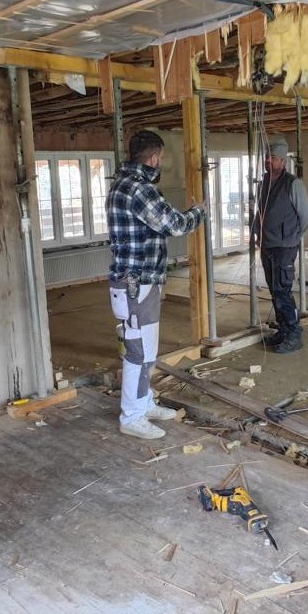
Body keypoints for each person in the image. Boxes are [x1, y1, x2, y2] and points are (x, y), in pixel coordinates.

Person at [106, 130, 208, 440]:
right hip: (136, 284)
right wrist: (199, 212)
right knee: (137, 353)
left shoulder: (121, 185)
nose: (160, 162)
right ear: (153, 158)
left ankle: (144, 403)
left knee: (146, 351)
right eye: (161, 157)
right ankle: (132, 417)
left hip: (139, 283)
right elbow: (173, 224)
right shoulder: (139, 189)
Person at [252, 139, 308, 353]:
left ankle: (294, 334)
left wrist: (293, 238)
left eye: (273, 158)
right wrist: (257, 233)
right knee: (274, 289)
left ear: (283, 161)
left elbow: (306, 217)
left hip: (284, 247)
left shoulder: (293, 184)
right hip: (267, 245)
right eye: (267, 157)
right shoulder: (264, 183)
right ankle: (283, 330)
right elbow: (260, 212)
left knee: (282, 290)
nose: (268, 161)